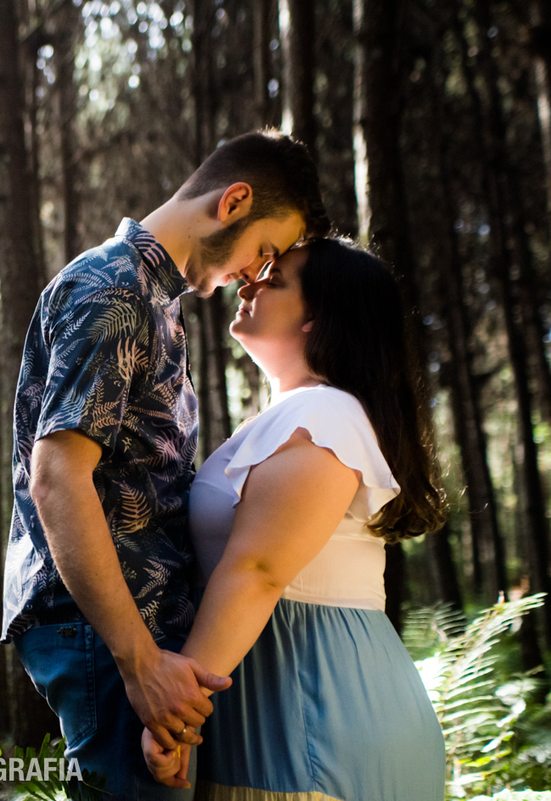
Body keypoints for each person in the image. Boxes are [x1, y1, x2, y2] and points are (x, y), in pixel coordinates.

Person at [2, 130, 330, 800]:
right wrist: (139, 659)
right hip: (104, 633)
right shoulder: (115, 291)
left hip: (134, 636)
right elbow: (57, 477)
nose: (257, 274)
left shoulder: (155, 303)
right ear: (234, 201)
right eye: (265, 251)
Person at [142, 237, 446, 799]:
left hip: (310, 720)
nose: (248, 283)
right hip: (297, 705)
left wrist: (176, 712)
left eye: (273, 278)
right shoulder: (299, 414)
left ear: (319, 320)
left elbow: (258, 568)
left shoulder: (323, 413)